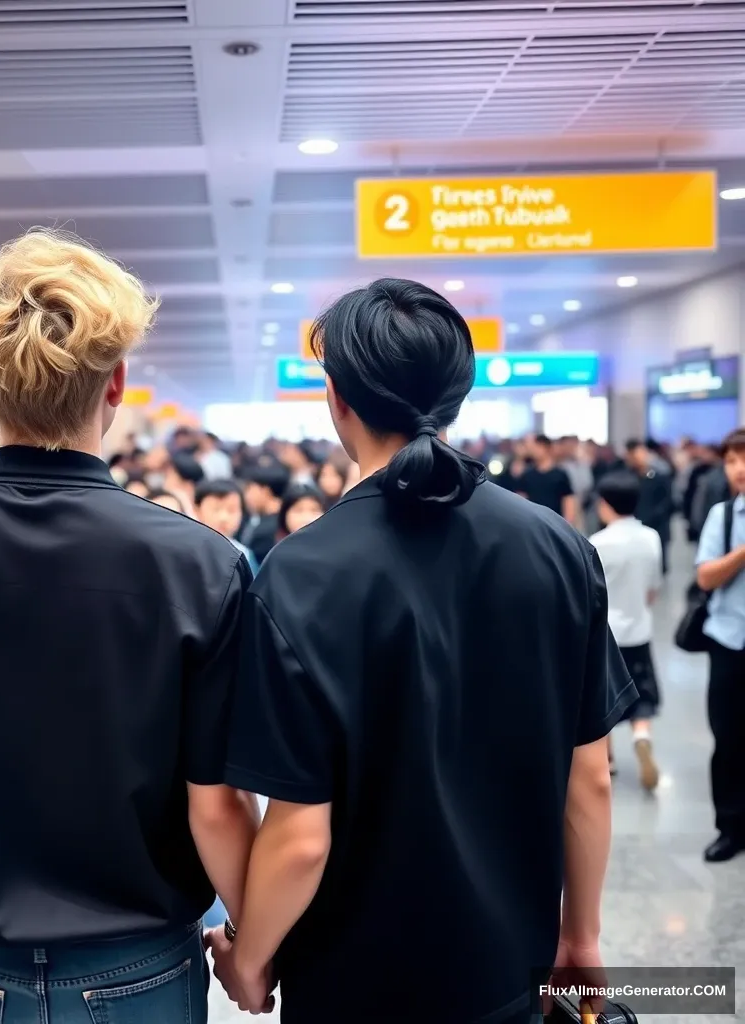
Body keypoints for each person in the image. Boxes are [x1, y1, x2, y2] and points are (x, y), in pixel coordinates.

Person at [0, 230, 260, 1024]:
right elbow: (218, 800)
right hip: (141, 957)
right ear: (118, 383)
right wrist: (253, 940)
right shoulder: (200, 564)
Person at [211, 279, 634, 1023]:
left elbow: (302, 836)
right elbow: (590, 777)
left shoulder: (302, 571)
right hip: (507, 976)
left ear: (337, 398)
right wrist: (582, 936)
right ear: (455, 395)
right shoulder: (558, 549)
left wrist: (249, 962)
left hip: (353, 984)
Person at [590, 472, 663, 790]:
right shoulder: (651, 537)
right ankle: (642, 736)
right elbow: (653, 588)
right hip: (640, 628)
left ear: (604, 505)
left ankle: (608, 760)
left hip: (609, 634)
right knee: (641, 691)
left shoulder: (597, 543)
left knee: (604, 696)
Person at [695, 427, 745, 863]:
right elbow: (706, 576)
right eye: (730, 461)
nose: (739, 469)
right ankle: (730, 827)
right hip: (728, 640)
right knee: (727, 738)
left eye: (744, 459)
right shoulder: (723, 516)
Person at [626, 439, 674, 574]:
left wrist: (651, 517)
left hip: (656, 526)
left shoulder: (659, 478)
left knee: (656, 565)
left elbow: (667, 502)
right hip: (633, 526)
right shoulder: (629, 479)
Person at [194, 479, 258, 574]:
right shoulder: (189, 549)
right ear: (197, 510)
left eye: (231, 510)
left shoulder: (244, 554)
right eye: (216, 509)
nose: (223, 517)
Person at [519, 435, 579, 525]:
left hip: (555, 523)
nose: (534, 451)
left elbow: (568, 500)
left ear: (547, 448)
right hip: (532, 522)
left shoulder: (560, 475)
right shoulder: (527, 475)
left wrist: (567, 524)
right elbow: (521, 499)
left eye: (538, 447)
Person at [240, 463, 290, 565]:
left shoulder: (266, 530)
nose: (247, 496)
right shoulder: (285, 521)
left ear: (265, 491)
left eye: (250, 489)